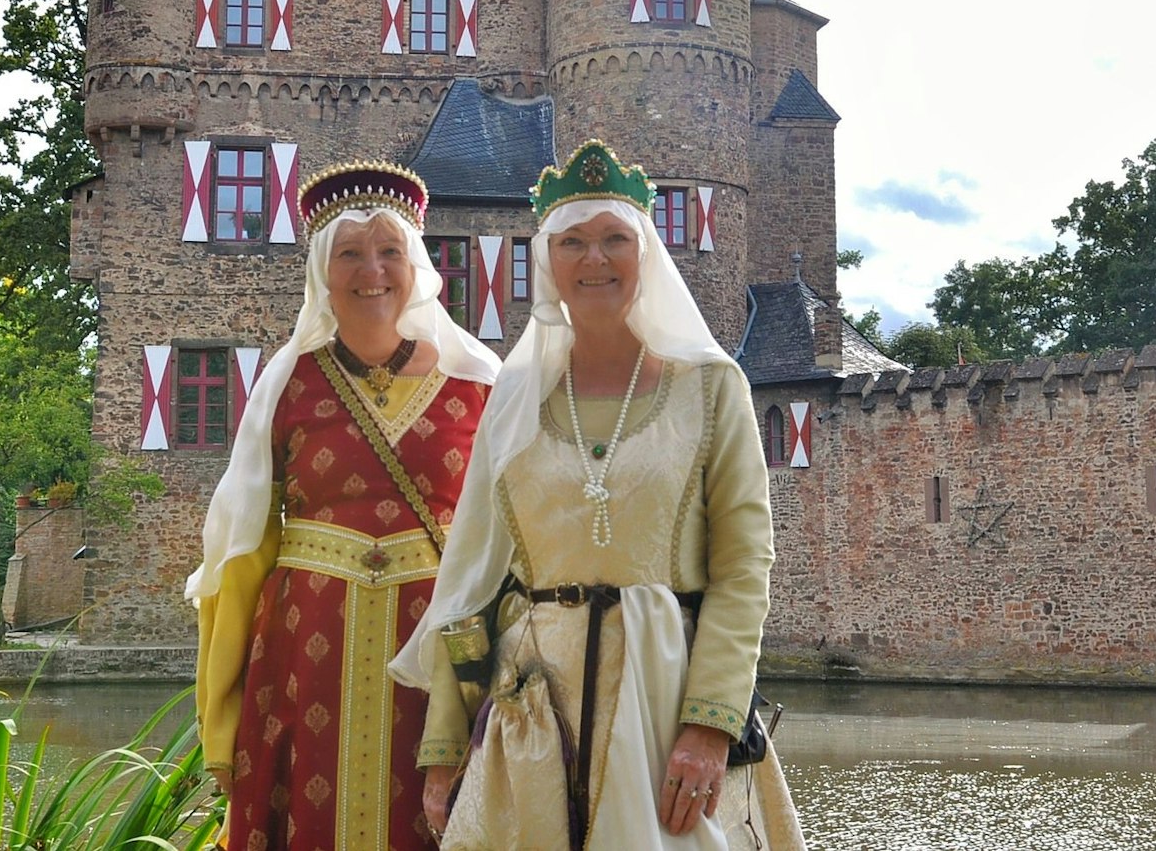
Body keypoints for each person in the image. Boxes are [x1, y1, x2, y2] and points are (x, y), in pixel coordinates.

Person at [391, 140, 806, 850]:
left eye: (616, 239)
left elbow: (744, 568)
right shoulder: (516, 400)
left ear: (645, 253)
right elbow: (471, 581)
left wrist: (709, 724)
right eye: (573, 242)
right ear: (546, 262)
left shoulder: (711, 389)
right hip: (533, 710)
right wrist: (443, 744)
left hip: (665, 697)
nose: (595, 259)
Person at [187, 160, 500, 850]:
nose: (372, 271)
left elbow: (510, 545)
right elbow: (238, 554)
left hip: (435, 663)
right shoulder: (285, 384)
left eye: (390, 250)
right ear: (323, 272)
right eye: (351, 253)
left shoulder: (479, 385)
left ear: (415, 264)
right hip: (304, 657)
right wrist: (221, 714)